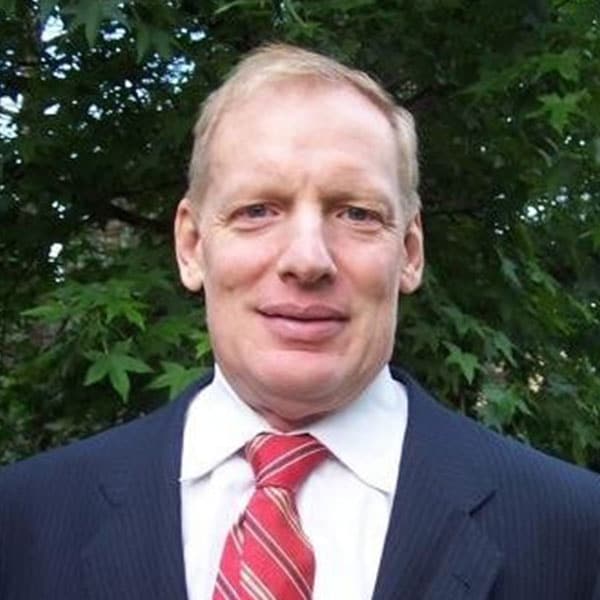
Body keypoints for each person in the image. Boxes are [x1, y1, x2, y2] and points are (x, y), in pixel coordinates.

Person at [1, 43, 599, 600]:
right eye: (258, 210)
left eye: (356, 214)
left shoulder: (575, 533)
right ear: (191, 246)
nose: (308, 260)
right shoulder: (23, 520)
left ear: (410, 252)